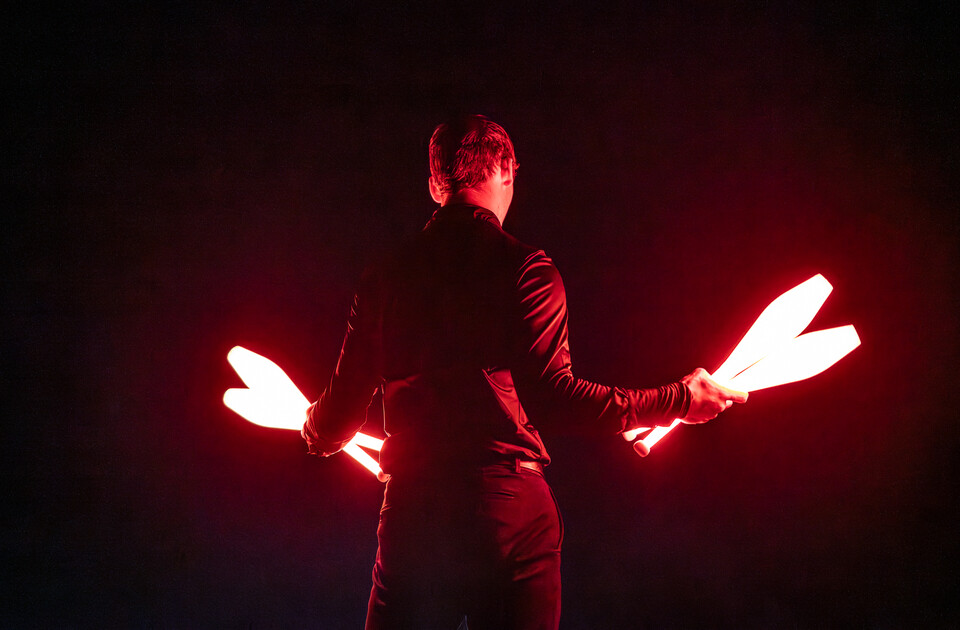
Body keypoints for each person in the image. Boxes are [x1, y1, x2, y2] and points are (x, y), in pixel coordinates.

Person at [302, 115, 747, 629]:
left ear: (433, 186)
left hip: (415, 514)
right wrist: (679, 399)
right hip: (510, 513)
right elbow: (556, 398)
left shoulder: (383, 278)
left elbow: (335, 422)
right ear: (508, 172)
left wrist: (312, 427)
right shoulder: (528, 270)